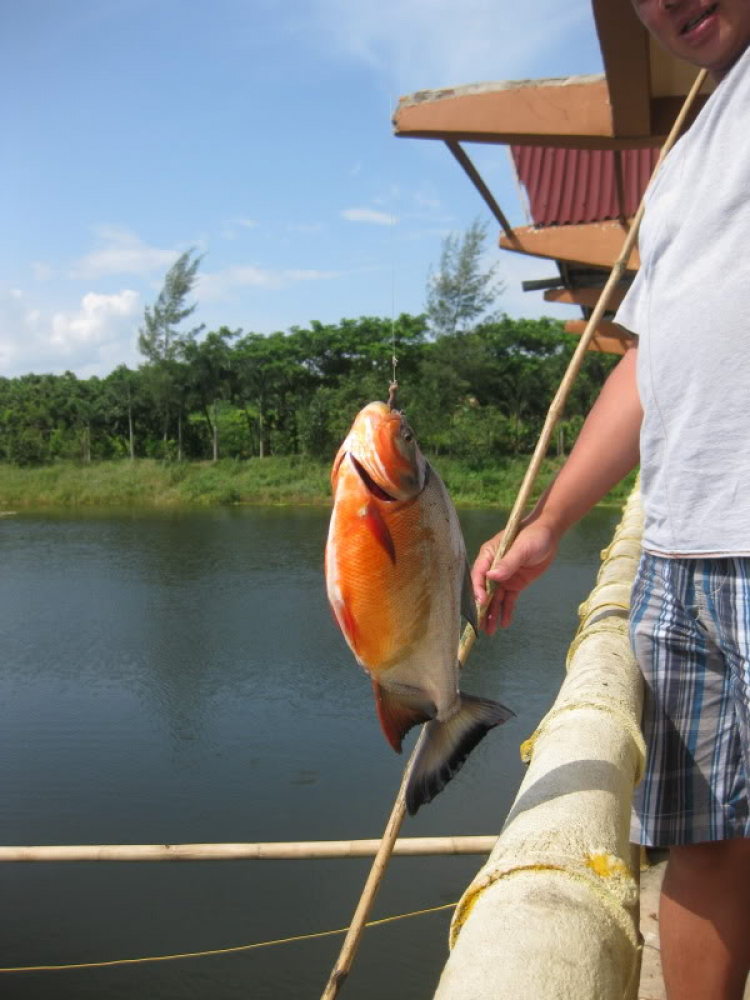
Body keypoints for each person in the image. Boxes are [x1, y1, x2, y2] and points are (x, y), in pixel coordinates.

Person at [471, 2, 750, 998]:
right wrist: (547, 521)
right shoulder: (679, 164)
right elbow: (645, 359)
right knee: (701, 843)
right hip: (683, 559)